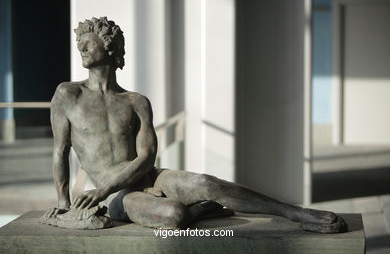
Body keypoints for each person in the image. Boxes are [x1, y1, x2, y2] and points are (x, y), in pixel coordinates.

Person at [44, 17, 346, 233]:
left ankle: (297, 212)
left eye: (88, 40)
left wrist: (110, 187)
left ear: (109, 46)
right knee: (174, 214)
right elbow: (60, 152)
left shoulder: (136, 101)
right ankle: (201, 209)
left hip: (150, 177)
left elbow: (147, 157)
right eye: (79, 42)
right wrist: (65, 202)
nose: (81, 45)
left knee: (206, 183)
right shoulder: (67, 94)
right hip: (114, 197)